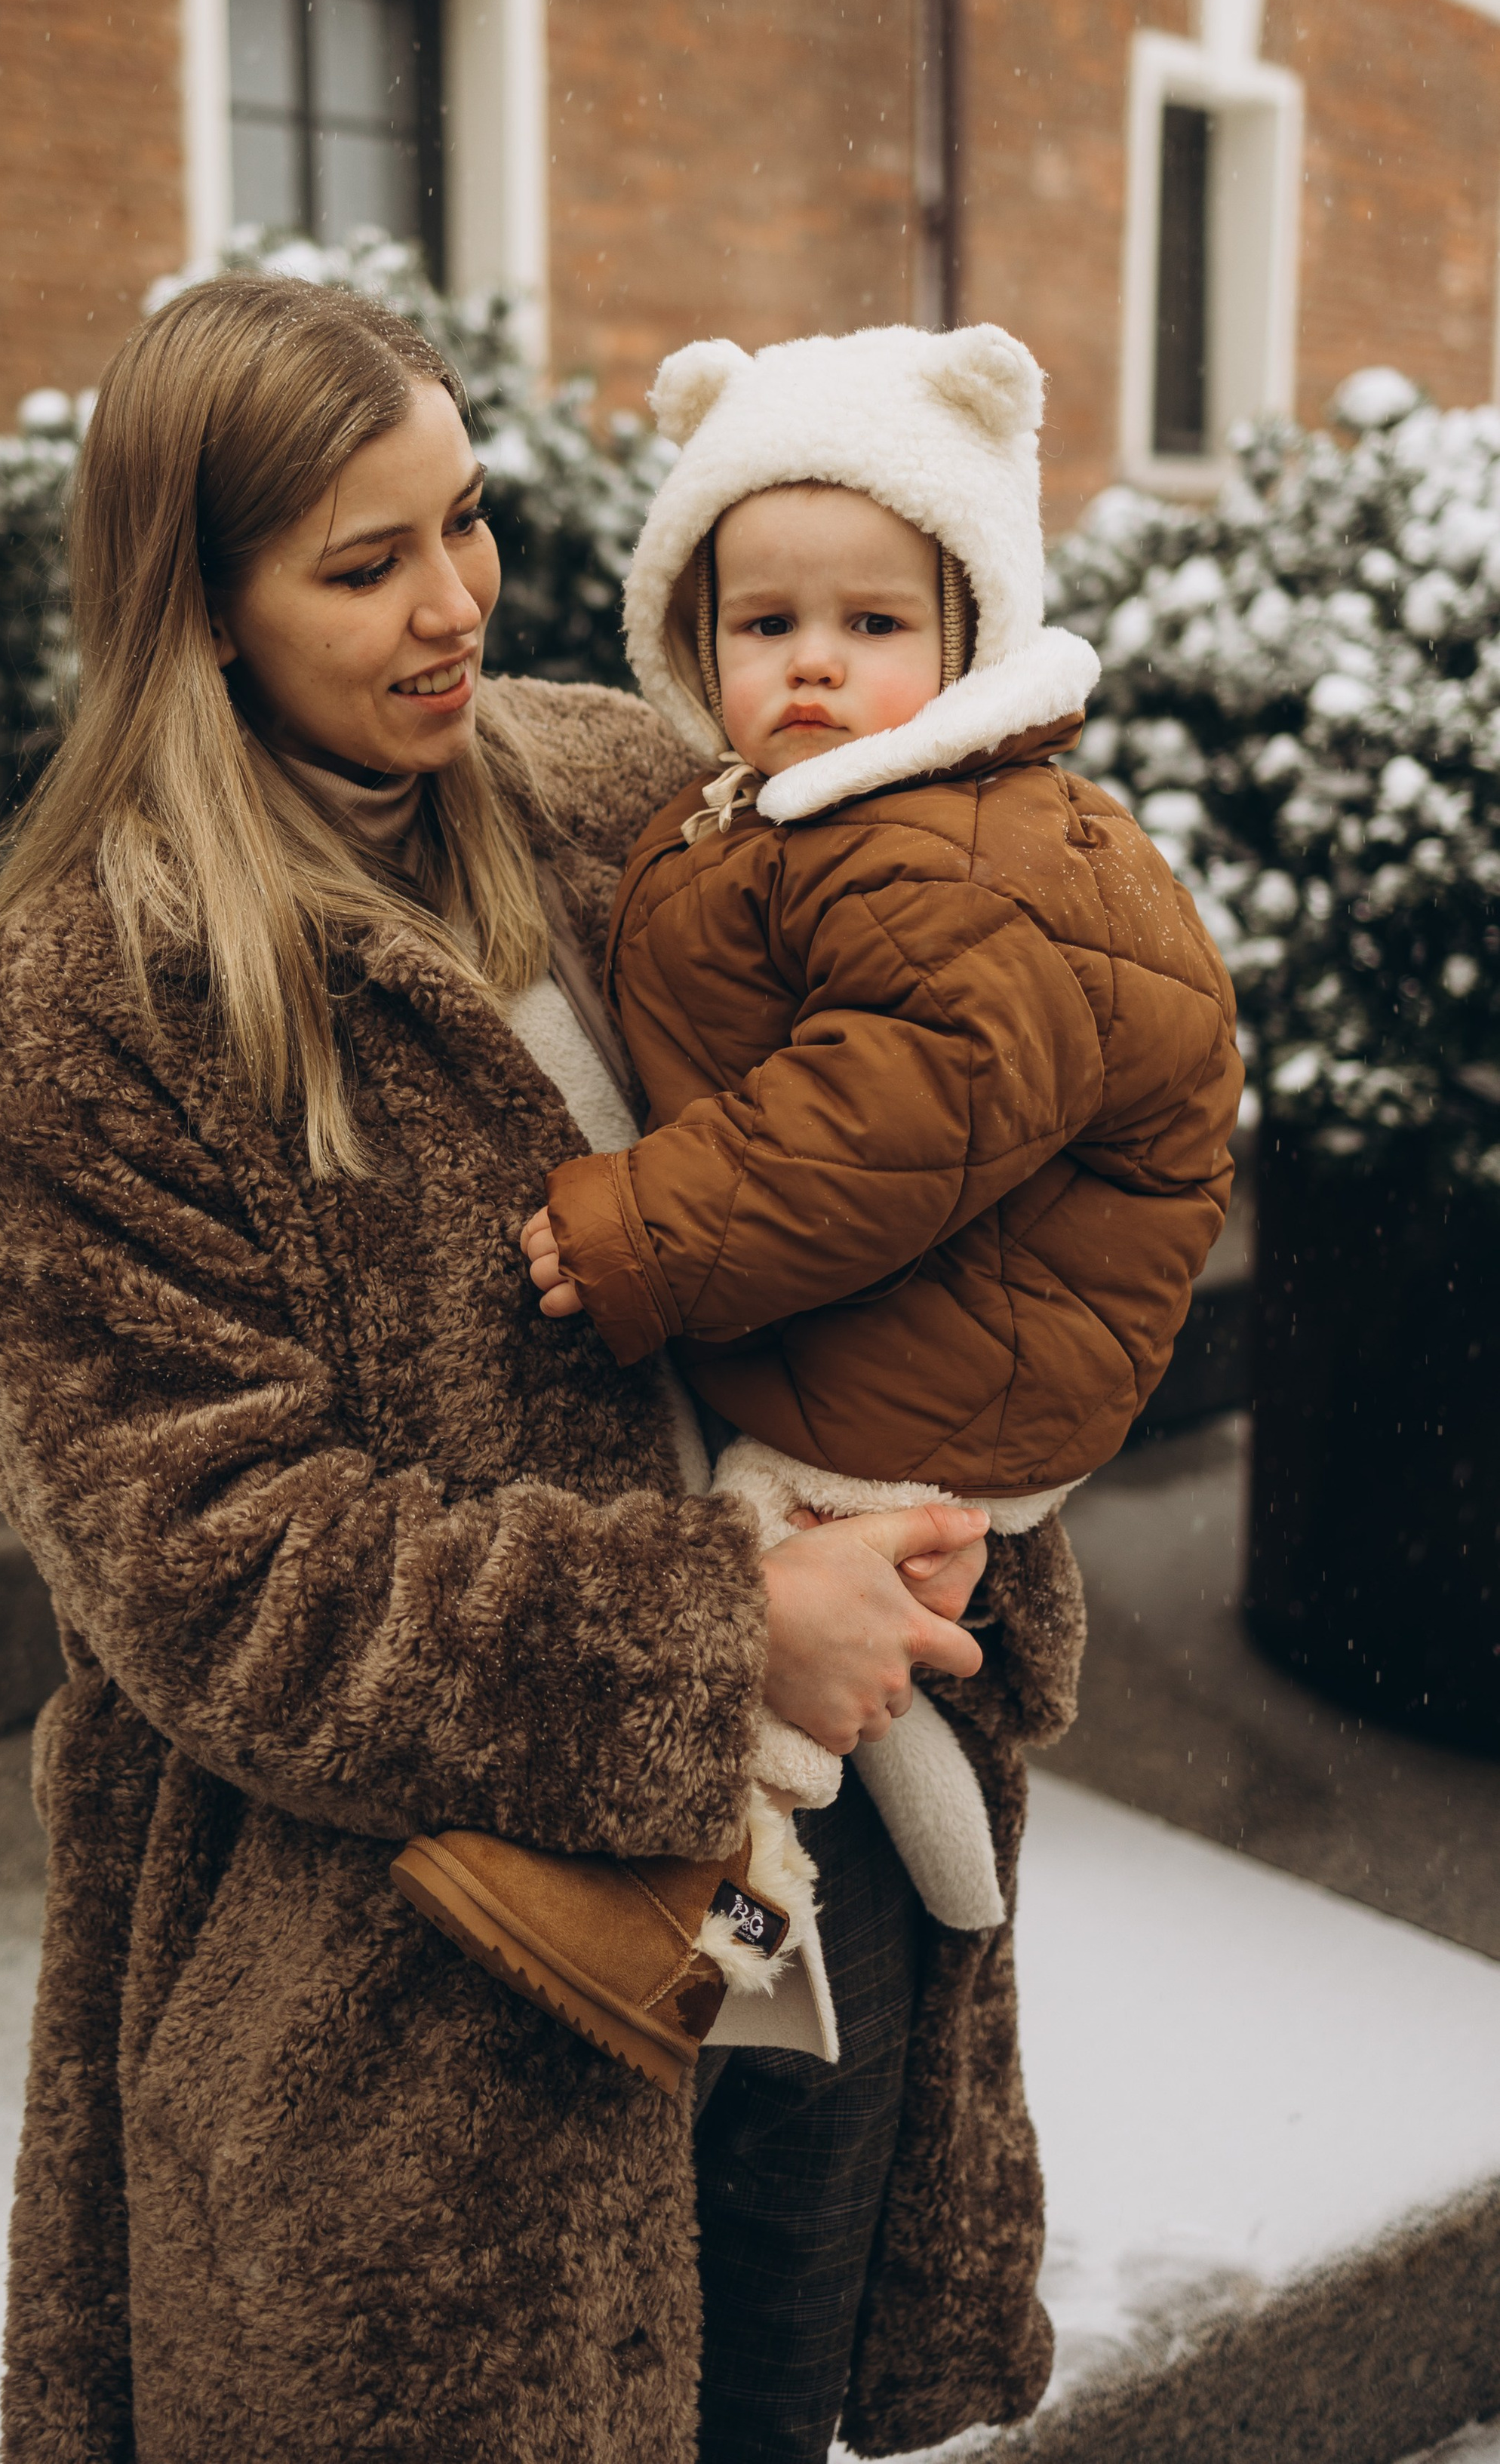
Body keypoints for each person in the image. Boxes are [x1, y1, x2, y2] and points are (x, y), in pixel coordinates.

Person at [0, 275, 1086, 2464]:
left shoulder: (624, 780)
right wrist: (720, 1628)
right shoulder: (104, 994)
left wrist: (954, 1473)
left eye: (468, 520)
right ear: (201, 609)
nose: (455, 601)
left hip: (822, 1890)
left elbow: (954, 1074)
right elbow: (217, 1563)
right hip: (426, 2027)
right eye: (364, 568)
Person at [405, 320, 1239, 2069]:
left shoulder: (957, 842)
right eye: (761, 624)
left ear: (961, 637)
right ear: (690, 637)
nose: (811, 666)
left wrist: (642, 1229)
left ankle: (710, 1912)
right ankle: (926, 1855)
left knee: (768, 1582)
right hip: (960, 1307)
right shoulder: (789, 816)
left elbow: (896, 1107)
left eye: (872, 628)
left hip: (987, 1328)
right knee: (814, 1551)